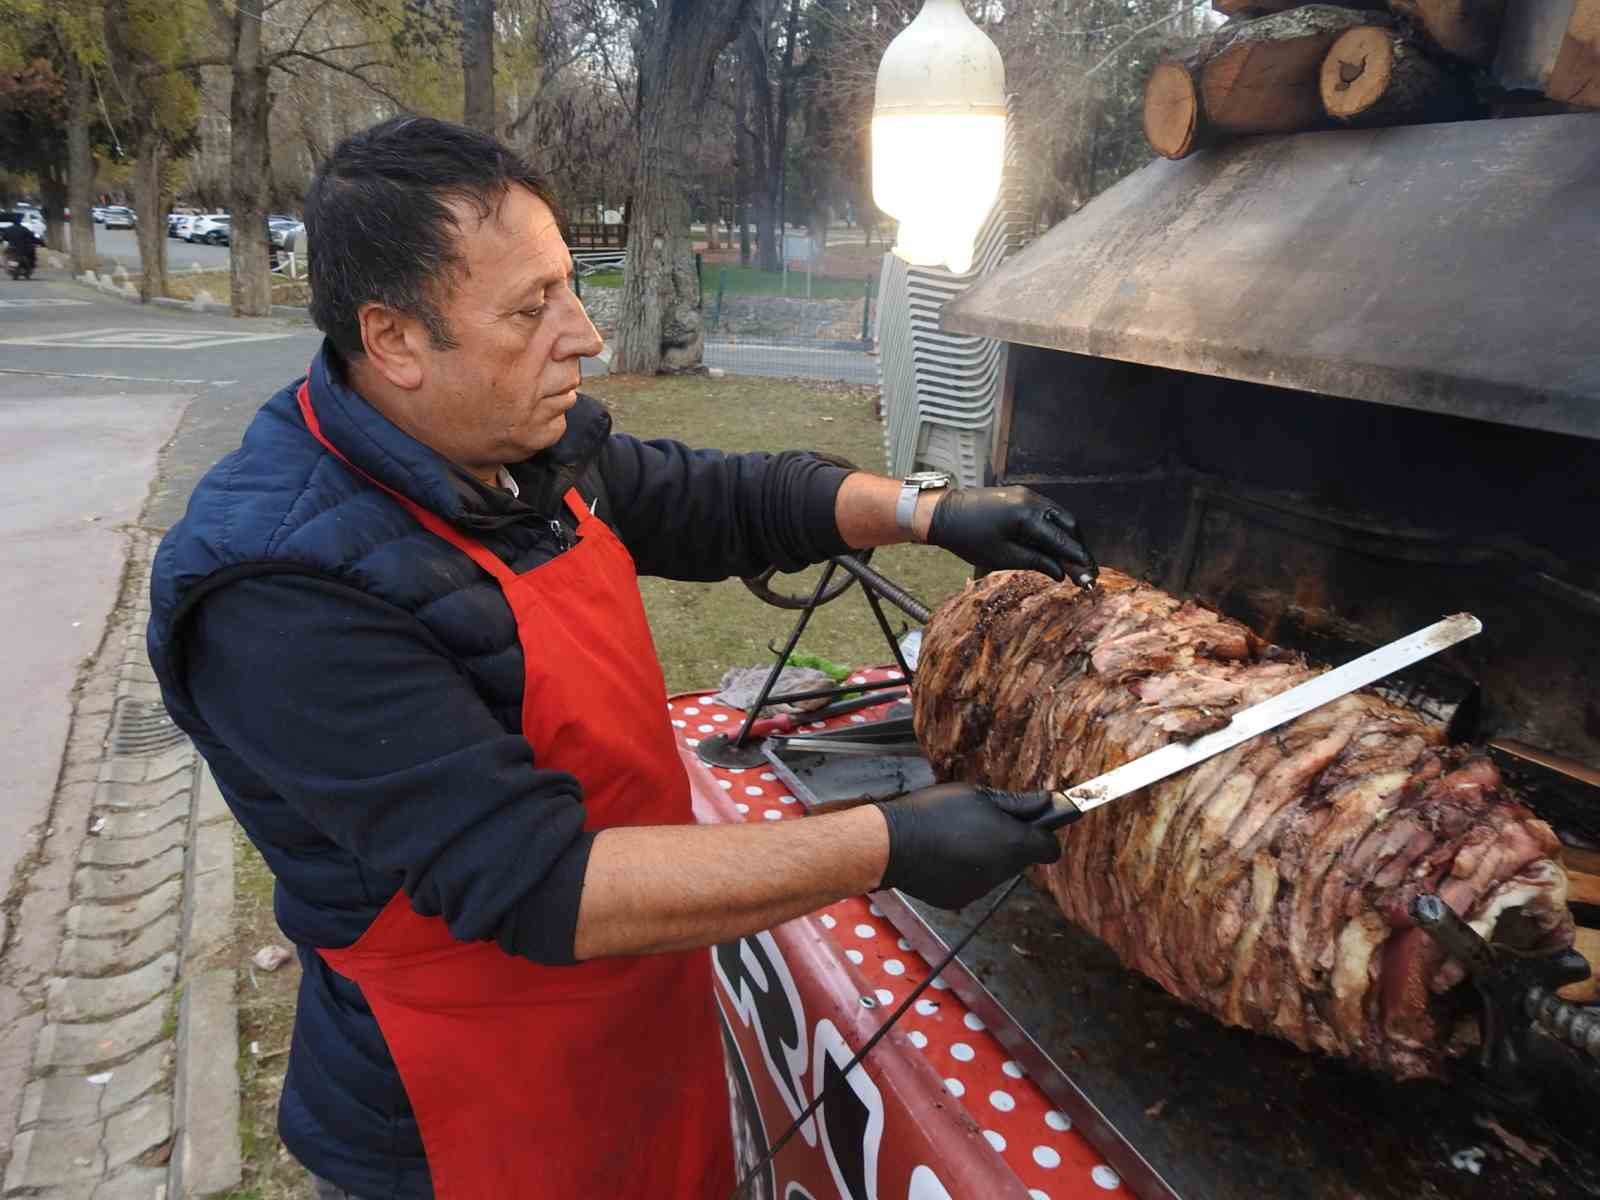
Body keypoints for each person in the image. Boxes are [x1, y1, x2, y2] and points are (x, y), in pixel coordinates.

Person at [147, 116, 1097, 1200]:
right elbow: (543, 880)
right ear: (396, 340)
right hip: (470, 1119)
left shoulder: (521, 453)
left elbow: (714, 500)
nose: (585, 336)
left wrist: (930, 510)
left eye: (569, 287)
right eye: (529, 309)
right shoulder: (278, 586)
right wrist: (883, 845)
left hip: (639, 1036)